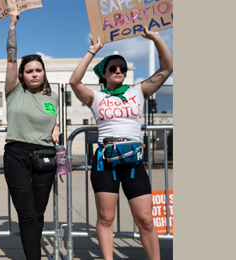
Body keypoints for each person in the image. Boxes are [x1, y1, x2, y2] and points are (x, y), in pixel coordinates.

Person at [68, 27, 172, 260]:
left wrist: (155, 38)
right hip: (106, 163)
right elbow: (74, 81)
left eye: (122, 68)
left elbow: (167, 68)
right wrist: (92, 51)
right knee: (106, 219)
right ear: (103, 74)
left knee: (145, 219)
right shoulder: (97, 97)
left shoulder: (138, 91)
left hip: (134, 163)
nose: (118, 71)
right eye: (113, 68)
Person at [2, 11, 60, 260]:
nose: (34, 74)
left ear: (44, 73)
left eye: (38, 70)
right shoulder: (14, 92)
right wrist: (13, 25)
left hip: (45, 156)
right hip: (18, 155)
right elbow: (12, 59)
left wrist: (56, 128)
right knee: (26, 214)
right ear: (22, 76)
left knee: (38, 213)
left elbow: (49, 120)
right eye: (29, 71)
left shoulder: (52, 98)